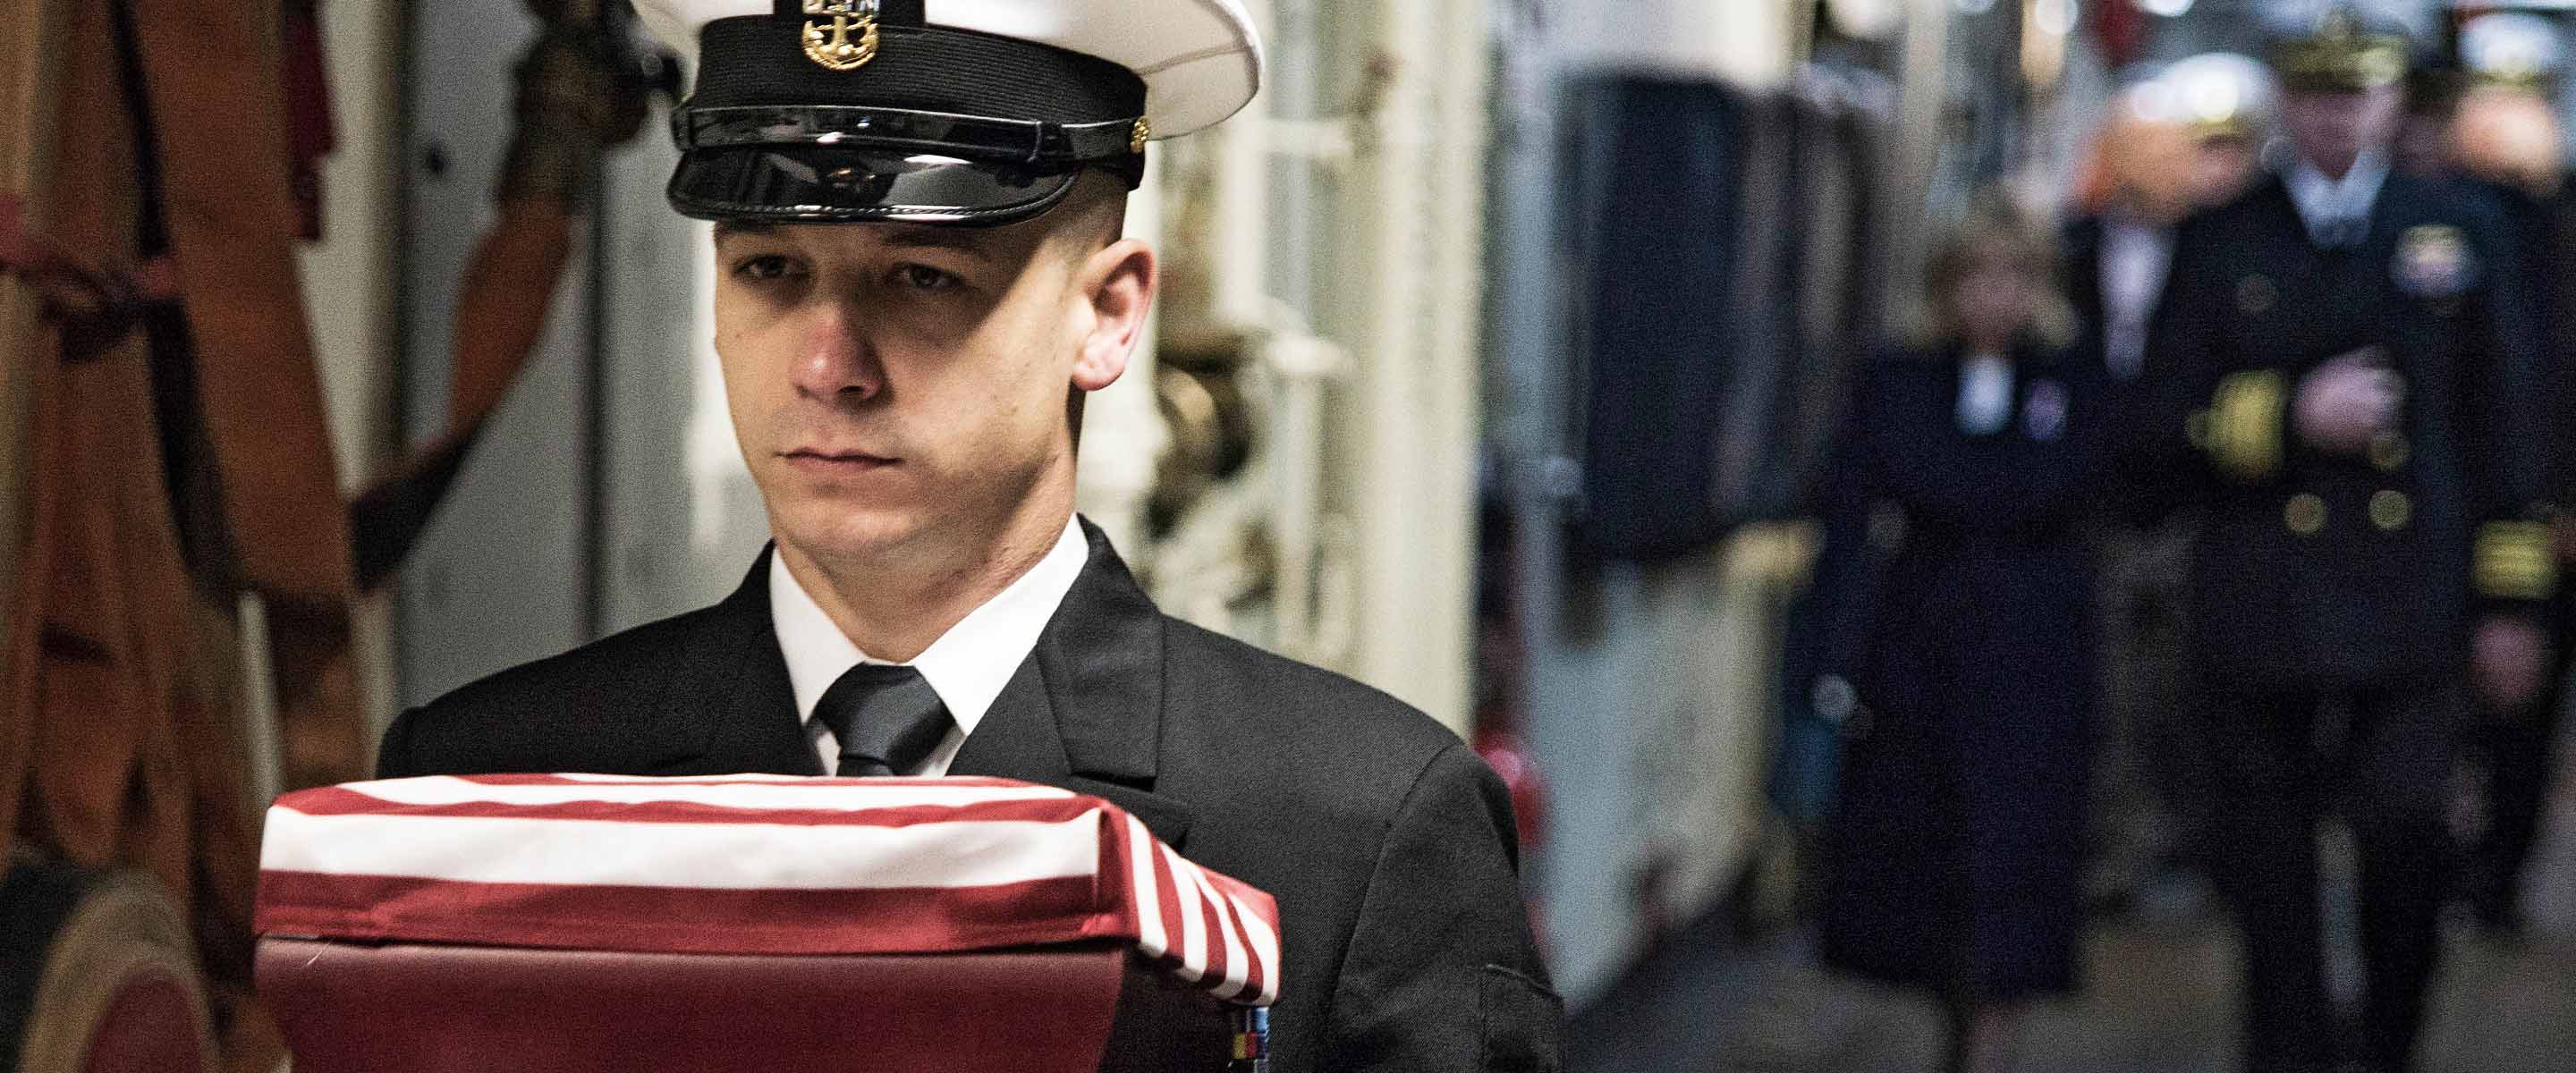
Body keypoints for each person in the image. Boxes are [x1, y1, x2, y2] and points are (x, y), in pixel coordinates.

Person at [370, 2, 1561, 1070]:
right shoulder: (481, 787)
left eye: (924, 279)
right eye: (770, 270)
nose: (826, 366)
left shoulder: (1356, 832)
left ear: (1106, 313)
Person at [2127, 6, 2554, 1071]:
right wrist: (2282, 417)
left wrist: (2512, 603)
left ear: (2391, 100)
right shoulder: (2224, 234)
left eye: (2357, 95)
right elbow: (2147, 438)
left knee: (2406, 849)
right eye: (2317, 96)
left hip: (2410, 601)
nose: (2337, 118)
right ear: (2288, 102)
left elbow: (2509, 428)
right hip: (2262, 596)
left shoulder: (2456, 230)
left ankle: (2388, 1042)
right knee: (2268, 878)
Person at [1807, 192, 2110, 1073]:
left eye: (2012, 277)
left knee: (2017, 862)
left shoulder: (2071, 380)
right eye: (1976, 277)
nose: (1994, 297)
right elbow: (1857, 508)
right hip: (1921, 654)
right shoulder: (1900, 380)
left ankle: (1992, 1040)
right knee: (1926, 860)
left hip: (2033, 655)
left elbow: (2067, 485)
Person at [2061, 55, 2273, 917]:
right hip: (2096, 507)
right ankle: (2112, 851)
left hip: (2197, 502)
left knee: (2192, 693)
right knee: (2105, 693)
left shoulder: (2225, 253)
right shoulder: (2070, 250)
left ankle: (2198, 848)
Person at [2438, 13, 2576, 939]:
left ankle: (2496, 883)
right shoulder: (2431, 215)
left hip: (2553, 504)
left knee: (2529, 701)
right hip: (2450, 505)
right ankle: (2445, 874)